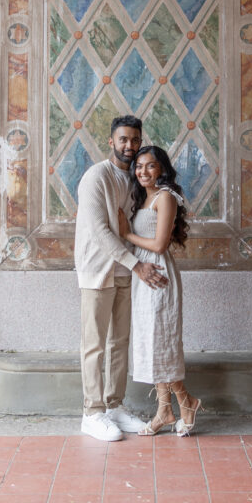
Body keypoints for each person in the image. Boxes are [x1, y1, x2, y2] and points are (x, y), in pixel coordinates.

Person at [75, 116, 168, 442]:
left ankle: (114, 406)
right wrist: (137, 264)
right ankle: (92, 413)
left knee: (119, 344)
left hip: (124, 271)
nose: (129, 145)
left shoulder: (132, 179)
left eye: (134, 140)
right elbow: (100, 231)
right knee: (94, 346)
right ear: (111, 141)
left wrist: (137, 263)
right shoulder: (95, 177)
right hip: (97, 271)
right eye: (123, 139)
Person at [118, 145, 202, 436]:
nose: (143, 171)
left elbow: (160, 244)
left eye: (150, 166)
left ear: (161, 169)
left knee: (161, 342)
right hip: (143, 274)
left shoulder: (165, 197)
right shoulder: (142, 197)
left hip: (159, 274)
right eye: (139, 166)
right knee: (152, 344)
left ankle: (184, 402)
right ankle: (168, 409)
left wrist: (126, 233)